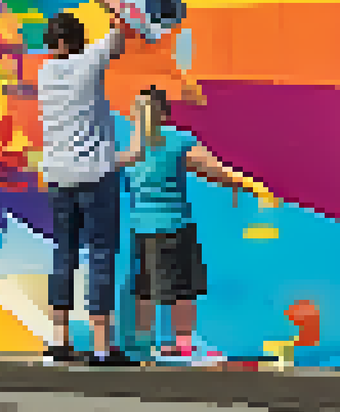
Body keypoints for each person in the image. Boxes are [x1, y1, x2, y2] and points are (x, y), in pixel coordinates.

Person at [117, 87, 280, 361]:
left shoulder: (129, 148)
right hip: (175, 224)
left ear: (135, 113)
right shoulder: (177, 140)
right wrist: (247, 183)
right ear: (165, 113)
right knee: (182, 288)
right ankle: (182, 345)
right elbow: (214, 169)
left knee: (145, 288)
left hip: (142, 226)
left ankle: (143, 345)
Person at [37, 0, 140, 367]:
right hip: (95, 174)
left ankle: (59, 341)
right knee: (100, 253)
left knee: (63, 253)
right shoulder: (90, 61)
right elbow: (123, 26)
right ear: (76, 41)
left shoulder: (45, 73)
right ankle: (101, 346)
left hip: (57, 175)